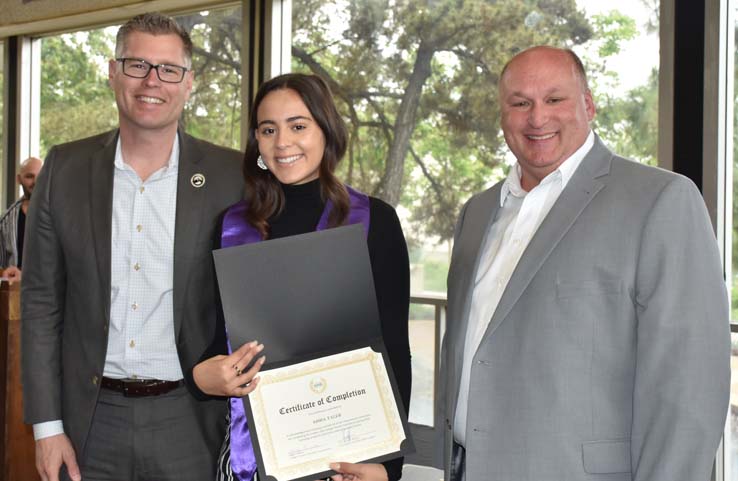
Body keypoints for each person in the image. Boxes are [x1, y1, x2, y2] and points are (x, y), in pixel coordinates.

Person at [441, 46, 730, 481]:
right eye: (520, 103)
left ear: (589, 105)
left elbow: (689, 388)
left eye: (555, 99)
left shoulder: (659, 201)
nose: (537, 118)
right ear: (502, 116)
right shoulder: (477, 213)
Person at [21, 12, 260, 481]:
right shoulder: (63, 170)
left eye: (169, 69)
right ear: (113, 72)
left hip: (190, 420)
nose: (152, 80)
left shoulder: (232, 177)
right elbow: (41, 304)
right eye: (137, 65)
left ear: (188, 83)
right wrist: (46, 429)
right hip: (89, 421)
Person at [191, 73, 411, 481]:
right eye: (268, 129)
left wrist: (388, 466)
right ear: (256, 141)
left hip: (346, 456)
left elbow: (395, 347)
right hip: (255, 451)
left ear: (326, 130)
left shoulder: (373, 221)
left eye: (298, 126)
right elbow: (216, 338)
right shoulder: (232, 226)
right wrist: (202, 375)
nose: (282, 143)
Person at [0, 156, 42, 281]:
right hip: (15, 294)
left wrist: (26, 276)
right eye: (30, 176)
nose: (36, 181)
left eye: (40, 176)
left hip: (49, 295)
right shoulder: (5, 221)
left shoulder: (59, 216)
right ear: (19, 179)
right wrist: (5, 273)